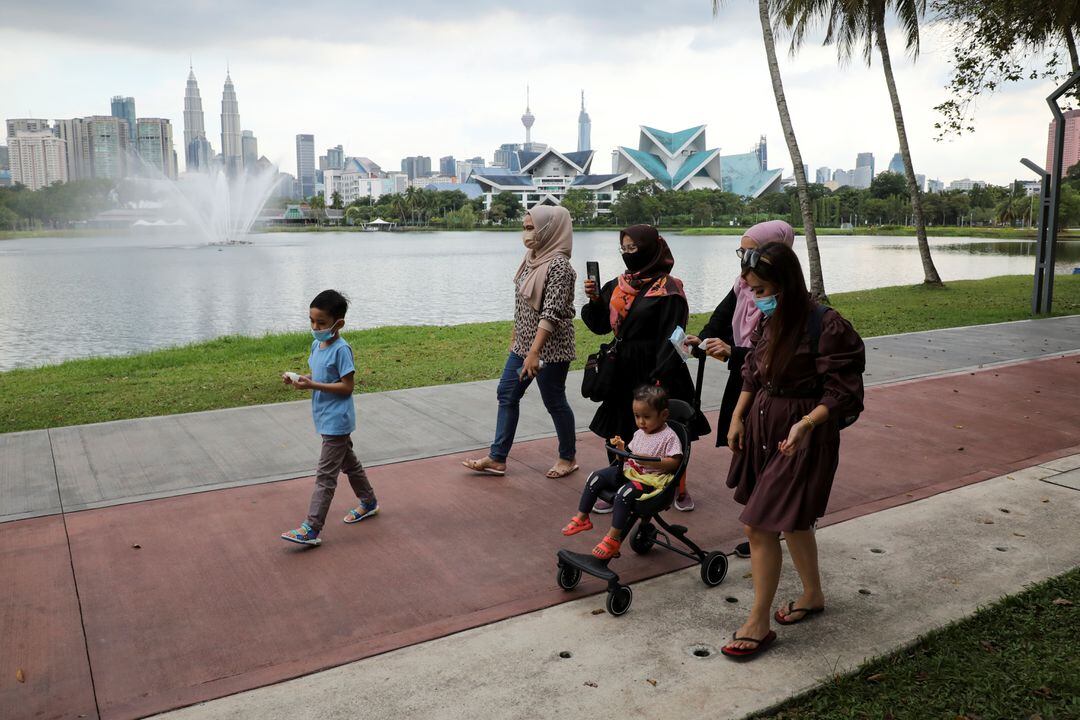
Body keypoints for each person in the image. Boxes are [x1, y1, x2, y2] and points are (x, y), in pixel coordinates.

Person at [719, 242, 864, 660]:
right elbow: (752, 371)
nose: (757, 296)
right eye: (752, 288)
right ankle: (813, 594)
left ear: (787, 283)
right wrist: (737, 416)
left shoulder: (827, 325)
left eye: (763, 288)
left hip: (802, 435)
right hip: (764, 427)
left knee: (759, 526)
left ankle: (758, 623)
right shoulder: (771, 320)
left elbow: (845, 391)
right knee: (794, 522)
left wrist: (807, 423)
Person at [685, 220, 796, 556]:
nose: (744, 259)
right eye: (742, 251)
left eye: (752, 252)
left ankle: (768, 527)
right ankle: (764, 524)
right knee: (748, 450)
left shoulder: (785, 299)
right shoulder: (742, 285)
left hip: (775, 390)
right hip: (745, 381)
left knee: (769, 454)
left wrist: (734, 352)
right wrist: (701, 341)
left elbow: (777, 353)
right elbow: (721, 318)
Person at [582, 225, 709, 513]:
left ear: (651, 248)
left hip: (657, 367)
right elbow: (600, 326)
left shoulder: (670, 289)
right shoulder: (617, 284)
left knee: (666, 431)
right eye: (623, 249)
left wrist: (658, 380)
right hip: (621, 367)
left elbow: (673, 335)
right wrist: (594, 301)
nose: (628, 255)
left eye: (633, 248)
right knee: (619, 427)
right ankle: (619, 484)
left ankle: (677, 486)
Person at [463, 205, 579, 479]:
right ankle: (497, 458)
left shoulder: (559, 265)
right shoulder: (532, 258)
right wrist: (517, 334)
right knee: (507, 392)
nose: (526, 234)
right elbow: (524, 301)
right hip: (524, 346)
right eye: (525, 227)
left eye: (531, 228)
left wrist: (535, 352)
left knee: (554, 400)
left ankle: (567, 457)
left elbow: (551, 312)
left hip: (549, 350)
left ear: (549, 230)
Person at [280, 289, 378, 547]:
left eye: (321, 323)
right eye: (311, 321)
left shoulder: (342, 349)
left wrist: (313, 386)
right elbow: (321, 378)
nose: (315, 327)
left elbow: (347, 387)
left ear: (339, 323)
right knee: (350, 464)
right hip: (323, 417)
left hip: (337, 421)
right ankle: (369, 502)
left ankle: (311, 528)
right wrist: (303, 379)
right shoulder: (316, 344)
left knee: (325, 475)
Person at [562, 385, 683, 560]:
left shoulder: (669, 437)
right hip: (631, 471)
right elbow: (630, 455)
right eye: (637, 416)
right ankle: (582, 517)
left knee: (623, 494)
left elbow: (675, 463)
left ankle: (613, 538)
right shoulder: (641, 432)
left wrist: (648, 460)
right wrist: (621, 450)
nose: (641, 422)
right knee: (595, 477)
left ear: (663, 415)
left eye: (646, 417)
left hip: (651, 479)